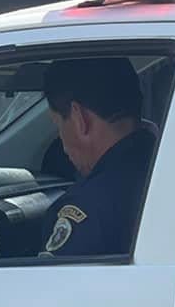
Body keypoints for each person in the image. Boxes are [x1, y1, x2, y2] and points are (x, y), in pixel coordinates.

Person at [40, 56, 157, 259]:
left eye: (58, 125)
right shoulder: (169, 168)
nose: (63, 145)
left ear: (79, 118)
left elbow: (52, 288)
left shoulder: (88, 210)